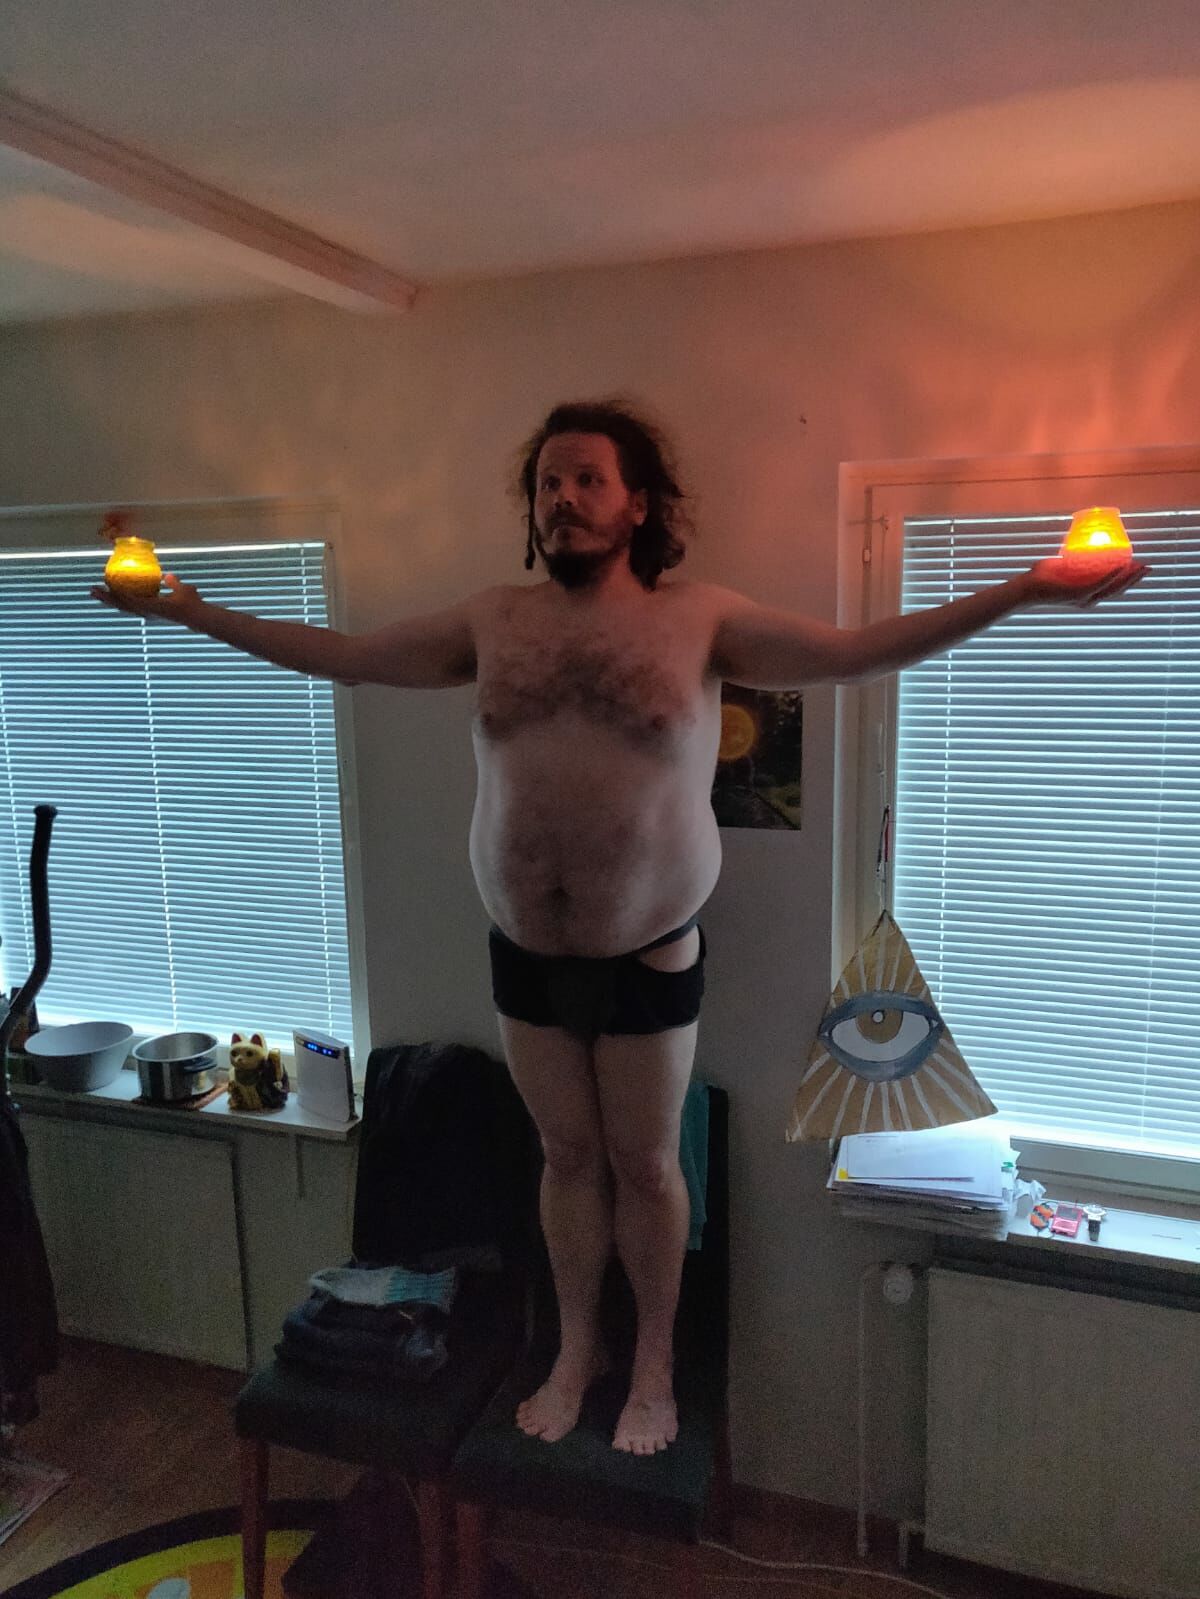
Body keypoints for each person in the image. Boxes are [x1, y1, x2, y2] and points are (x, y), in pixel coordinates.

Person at [92, 400, 1146, 1455]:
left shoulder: (701, 619)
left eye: (588, 479)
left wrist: (1021, 590)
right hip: (522, 951)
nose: (564, 499)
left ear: (638, 504)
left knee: (644, 1164)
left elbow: (854, 653)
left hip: (650, 949)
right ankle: (576, 1350)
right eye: (548, 483)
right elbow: (350, 656)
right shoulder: (493, 621)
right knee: (564, 1156)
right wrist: (193, 610)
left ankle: (652, 1366)